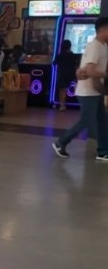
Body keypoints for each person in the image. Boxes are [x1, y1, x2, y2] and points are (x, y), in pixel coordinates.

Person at [52, 16, 108, 162]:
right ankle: (61, 142)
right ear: (104, 29)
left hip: (95, 90)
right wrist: (104, 75)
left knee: (102, 121)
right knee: (86, 121)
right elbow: (90, 71)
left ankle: (103, 151)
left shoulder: (104, 46)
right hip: (87, 91)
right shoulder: (95, 46)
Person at [54, 40, 77, 111]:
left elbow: (54, 62)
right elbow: (75, 64)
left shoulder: (61, 55)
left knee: (62, 90)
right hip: (71, 74)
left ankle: (62, 105)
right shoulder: (72, 55)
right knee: (75, 88)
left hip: (62, 74)